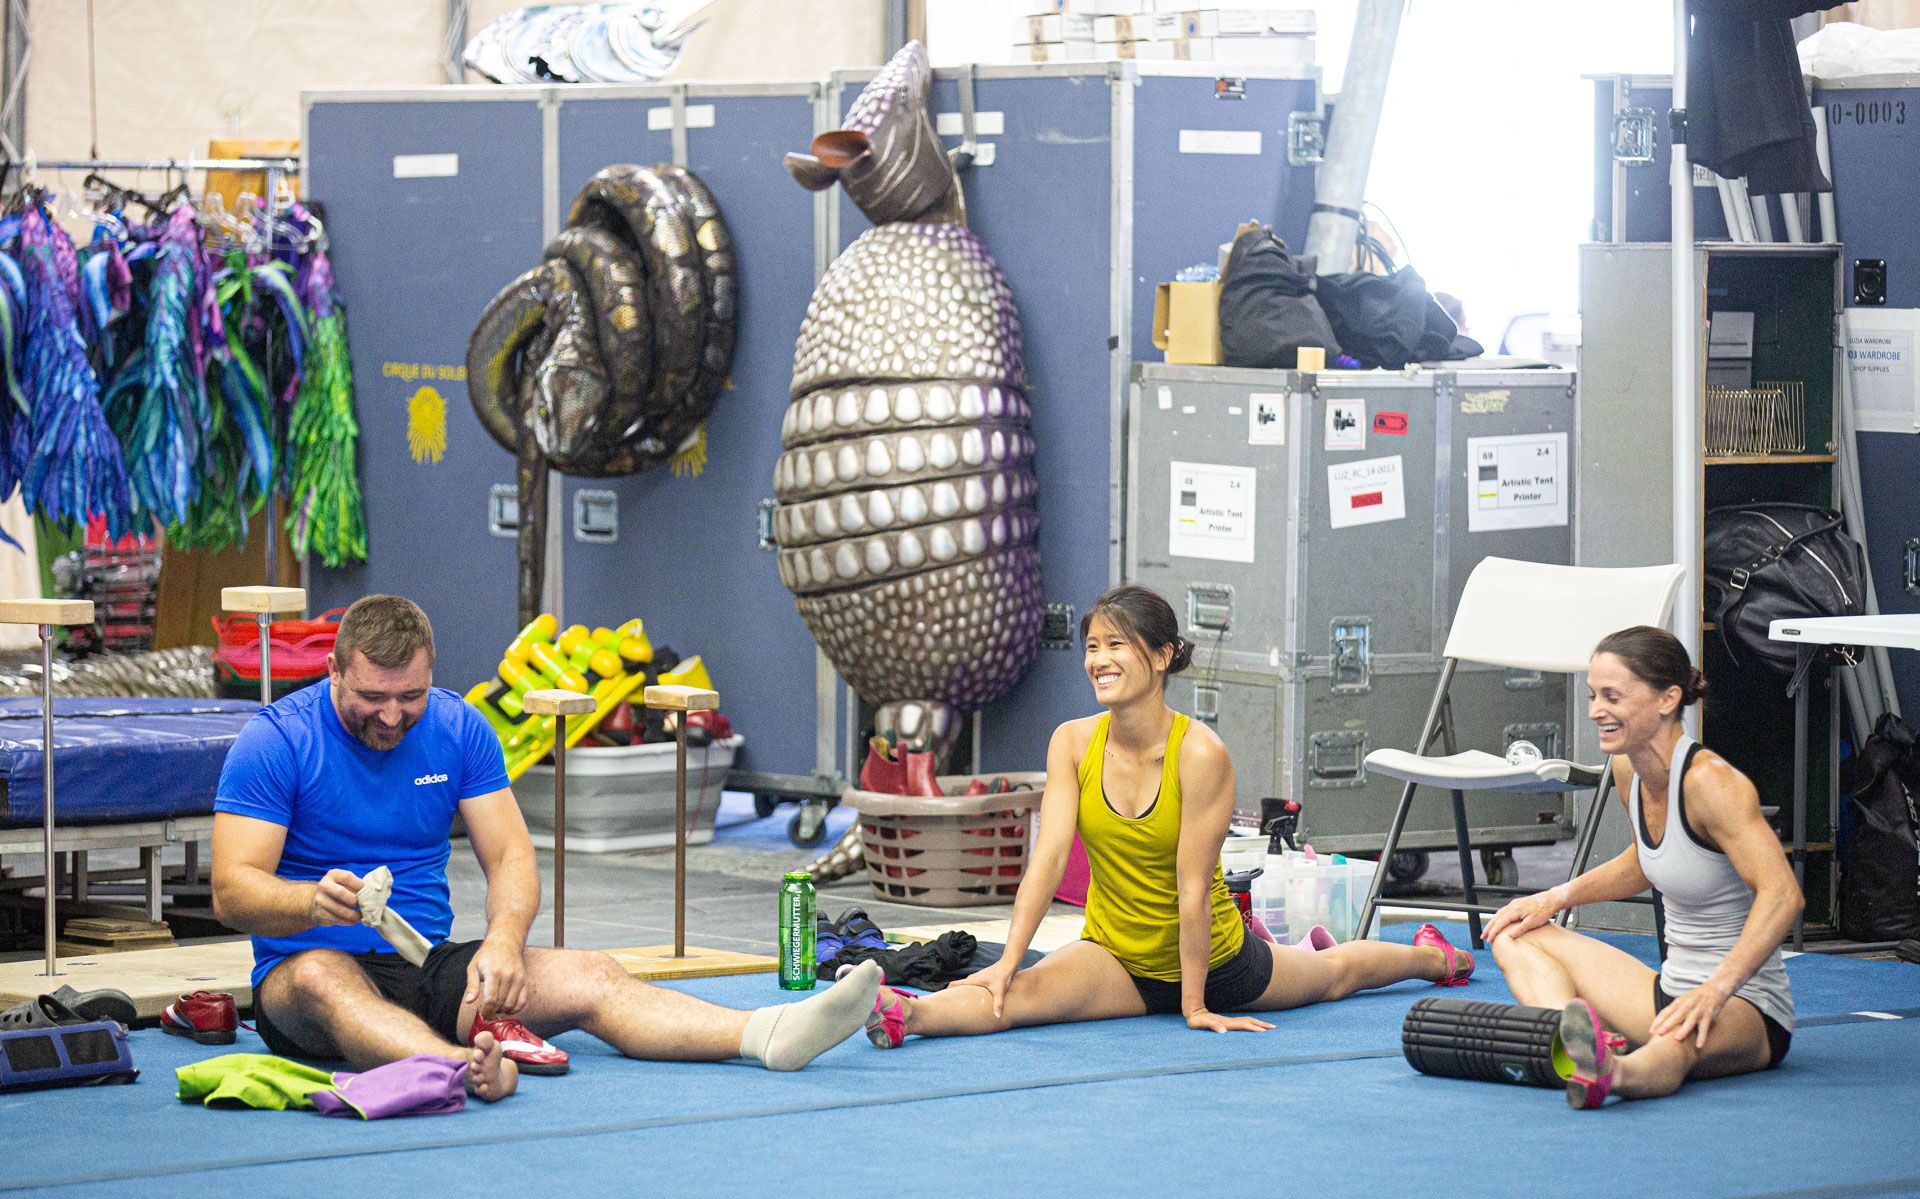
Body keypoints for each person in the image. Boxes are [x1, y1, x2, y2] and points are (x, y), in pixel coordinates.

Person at [211, 594, 880, 1101]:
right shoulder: (276, 741)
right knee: (325, 978)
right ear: (332, 670)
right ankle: (459, 1072)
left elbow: (509, 856)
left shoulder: (457, 726)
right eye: (371, 697)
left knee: (592, 973)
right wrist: (308, 899)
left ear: (431, 676)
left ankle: (765, 1032)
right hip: (305, 977)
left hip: (429, 966)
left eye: (408, 696)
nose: (391, 716)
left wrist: (504, 940)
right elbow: (230, 890)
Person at [862, 585, 1471, 1049]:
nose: (1099, 660)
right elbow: (1046, 862)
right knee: (1015, 993)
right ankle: (904, 1013)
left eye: (1116, 645)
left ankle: (1431, 956)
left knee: (1333, 973)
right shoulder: (1072, 742)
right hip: (1112, 955)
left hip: (1217, 963)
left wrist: (1196, 1002)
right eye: (1092, 647)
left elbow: (1192, 890)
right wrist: (1008, 958)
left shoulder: (1200, 754)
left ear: (1160, 656)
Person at [1484, 625, 1801, 1108]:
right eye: (1592, 696)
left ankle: (1619, 1072)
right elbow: (1645, 862)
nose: (1595, 712)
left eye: (1611, 696)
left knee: (1673, 1046)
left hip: (1745, 1005)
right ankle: (1576, 1048)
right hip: (1667, 990)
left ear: (1667, 699)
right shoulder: (1627, 767)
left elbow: (1783, 894)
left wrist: (1716, 990)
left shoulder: (1713, 784)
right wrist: (1552, 898)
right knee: (1514, 931)